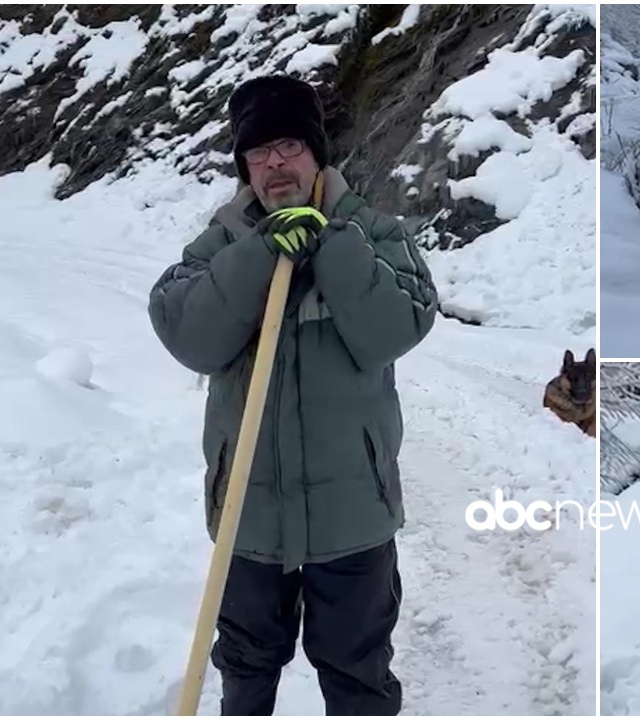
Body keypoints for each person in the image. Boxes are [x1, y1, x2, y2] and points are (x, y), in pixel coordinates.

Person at [148, 75, 438, 715]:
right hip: (248, 521)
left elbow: (399, 325)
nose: (275, 163)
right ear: (244, 167)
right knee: (246, 670)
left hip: (352, 518)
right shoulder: (221, 241)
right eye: (258, 152)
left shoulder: (373, 232)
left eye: (288, 145)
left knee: (358, 675)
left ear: (316, 153)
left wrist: (332, 244)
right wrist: (257, 253)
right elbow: (187, 333)